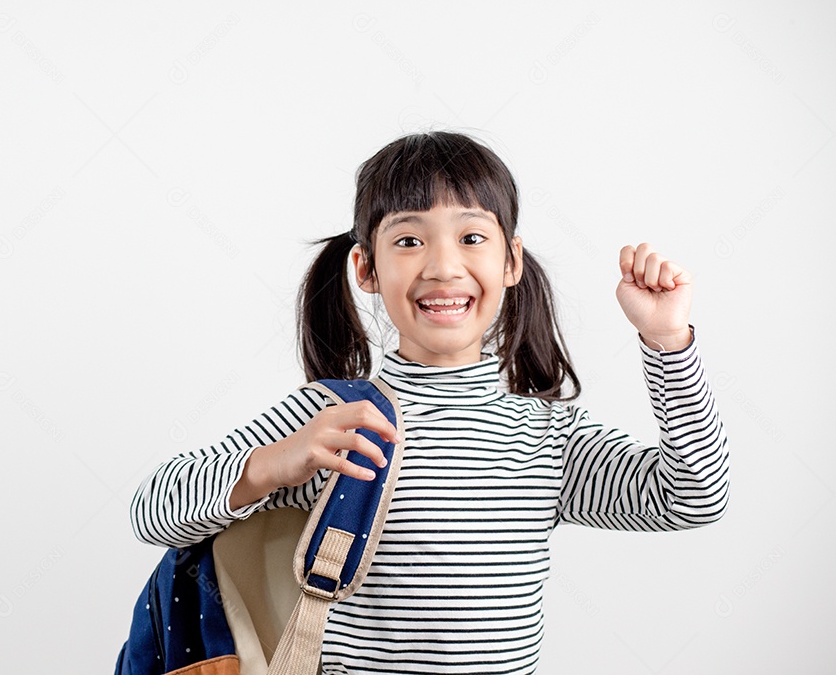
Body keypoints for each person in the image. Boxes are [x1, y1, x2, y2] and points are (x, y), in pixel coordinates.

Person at [130, 131, 729, 674]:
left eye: (471, 237)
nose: (444, 266)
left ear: (510, 261)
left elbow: (694, 499)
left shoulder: (548, 437)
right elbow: (150, 512)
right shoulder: (331, 419)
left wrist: (668, 343)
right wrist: (273, 464)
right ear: (366, 267)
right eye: (410, 240)